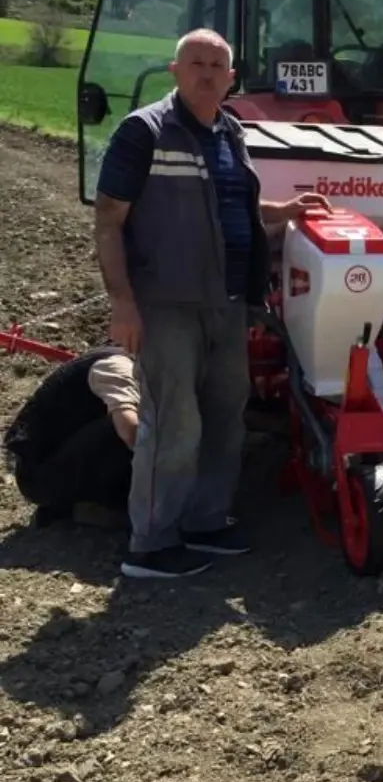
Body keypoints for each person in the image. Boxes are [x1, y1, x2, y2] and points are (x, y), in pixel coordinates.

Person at [94, 29, 330, 580]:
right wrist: (123, 303)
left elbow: (232, 203)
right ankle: (151, 543)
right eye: (195, 62)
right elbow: (109, 218)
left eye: (217, 65)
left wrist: (284, 209)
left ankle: (205, 520)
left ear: (231, 77)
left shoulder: (230, 132)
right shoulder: (144, 131)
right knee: (173, 420)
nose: (207, 73)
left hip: (226, 300)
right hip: (168, 301)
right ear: (175, 70)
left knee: (226, 415)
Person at [4, 347, 139, 527]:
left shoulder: (118, 356)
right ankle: (91, 507)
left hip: (47, 463)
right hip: (40, 478)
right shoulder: (117, 366)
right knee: (122, 428)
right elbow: (130, 431)